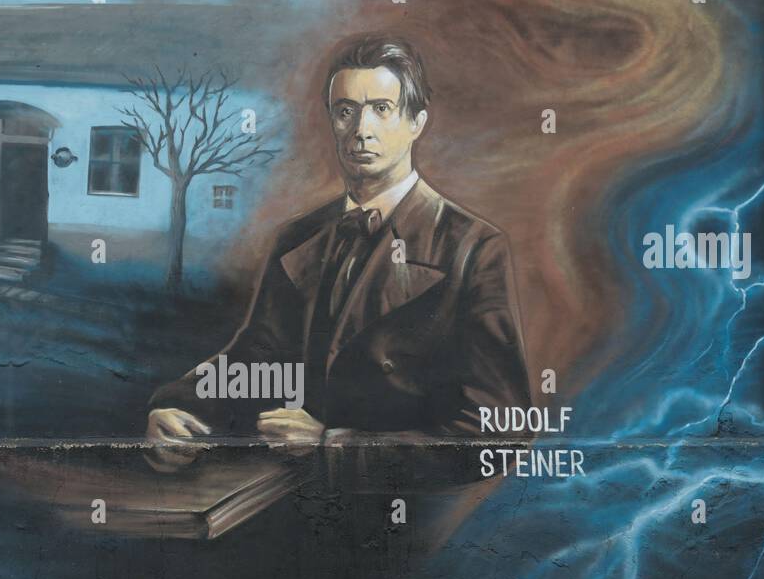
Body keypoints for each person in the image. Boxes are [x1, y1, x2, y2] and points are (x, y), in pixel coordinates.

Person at [145, 33, 531, 491]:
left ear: (417, 122)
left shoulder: (472, 247)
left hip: (401, 522)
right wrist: (178, 408)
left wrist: (334, 446)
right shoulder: (298, 237)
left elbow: (500, 433)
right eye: (346, 111)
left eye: (382, 109)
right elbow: (253, 359)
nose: (361, 129)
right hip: (277, 504)